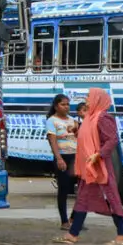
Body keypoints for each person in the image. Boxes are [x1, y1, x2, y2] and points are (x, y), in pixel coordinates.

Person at [53, 87, 123, 245]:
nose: (87, 99)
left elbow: (112, 140)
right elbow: (87, 137)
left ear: (97, 99)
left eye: (89, 96)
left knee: (110, 197)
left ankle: (122, 234)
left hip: (99, 165)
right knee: (83, 197)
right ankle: (73, 234)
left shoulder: (103, 118)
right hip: (89, 166)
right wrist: (76, 131)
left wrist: (99, 154)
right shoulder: (90, 117)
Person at [45, 93, 77, 229]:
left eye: (68, 104)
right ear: (56, 106)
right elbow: (52, 141)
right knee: (63, 189)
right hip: (62, 156)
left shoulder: (73, 120)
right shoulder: (51, 121)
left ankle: (74, 218)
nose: (66, 107)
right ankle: (64, 221)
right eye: (63, 104)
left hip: (75, 156)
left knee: (81, 189)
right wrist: (58, 158)